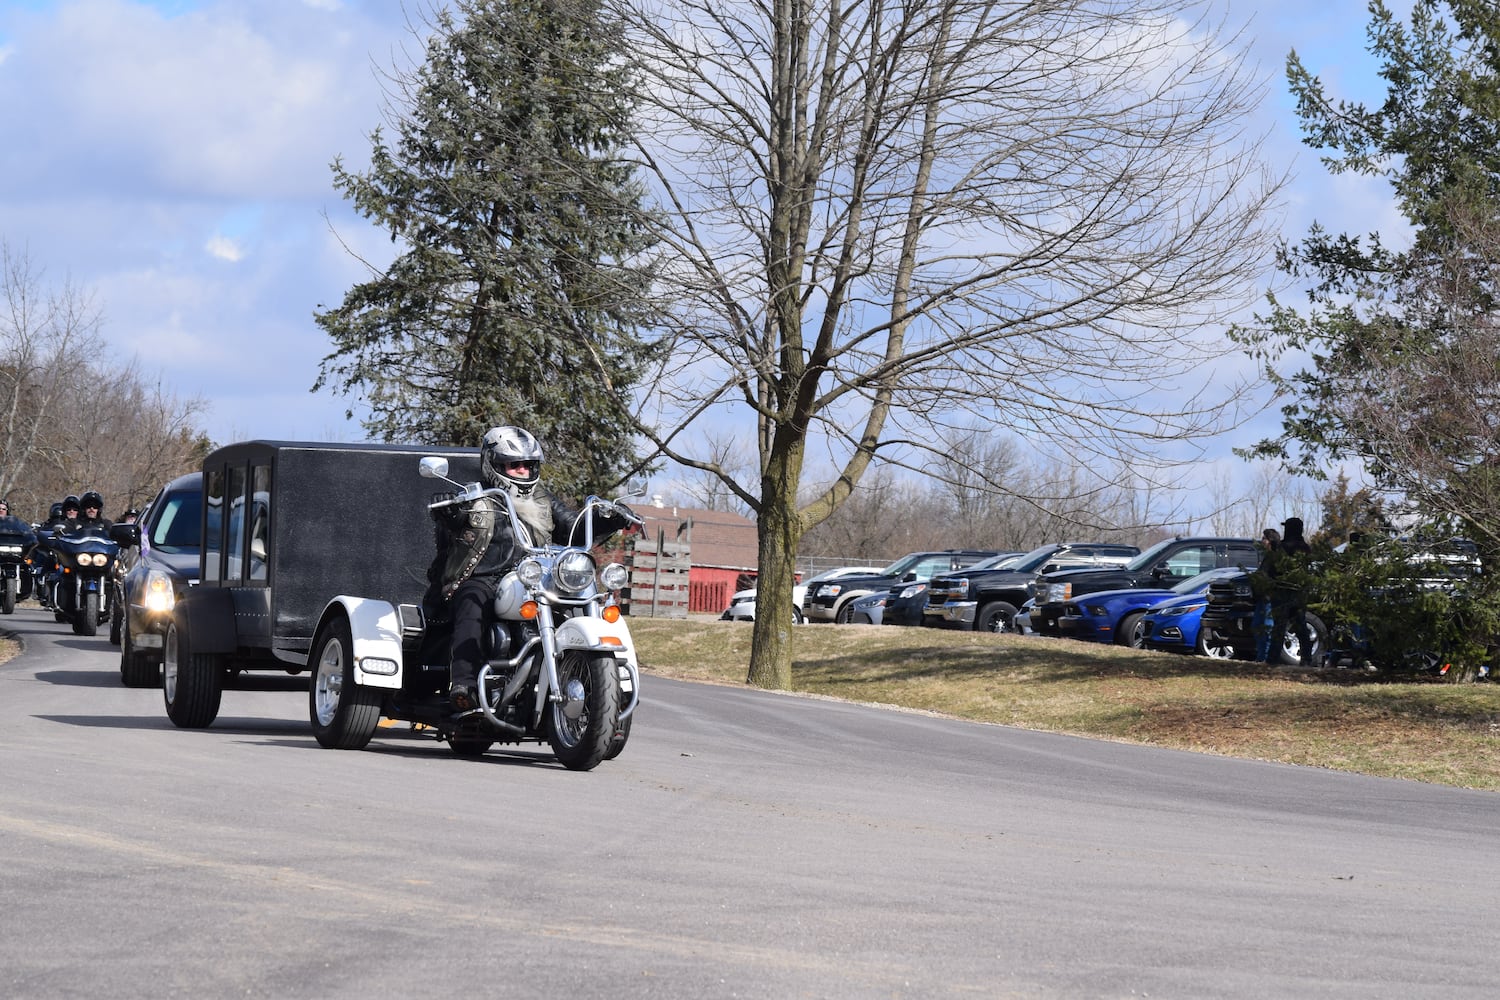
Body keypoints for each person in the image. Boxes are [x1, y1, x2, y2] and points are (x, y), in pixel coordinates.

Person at [428, 425, 633, 713]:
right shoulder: (474, 497)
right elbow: (453, 518)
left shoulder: (542, 500)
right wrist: (447, 508)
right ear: (493, 465)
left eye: (528, 465)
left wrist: (609, 520)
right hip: (485, 577)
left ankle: (600, 689)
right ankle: (465, 685)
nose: (523, 471)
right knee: (471, 605)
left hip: (536, 578)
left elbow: (573, 528)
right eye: (515, 465)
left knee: (578, 605)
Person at [1265, 516, 1314, 666]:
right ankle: (1306, 659)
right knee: (1301, 626)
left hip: (1282, 592)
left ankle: (1272, 660)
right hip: (1299, 593)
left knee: (1279, 627)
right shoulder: (1306, 548)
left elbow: (1273, 568)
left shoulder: (1284, 547)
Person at [1251, 527, 1280, 663]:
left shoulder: (1276, 557)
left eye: (1264, 538)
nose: (1262, 541)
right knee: (1257, 627)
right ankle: (1261, 656)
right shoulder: (1266, 557)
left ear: (1270, 541)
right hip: (1261, 598)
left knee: (1268, 628)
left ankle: (1268, 657)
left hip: (1270, 598)